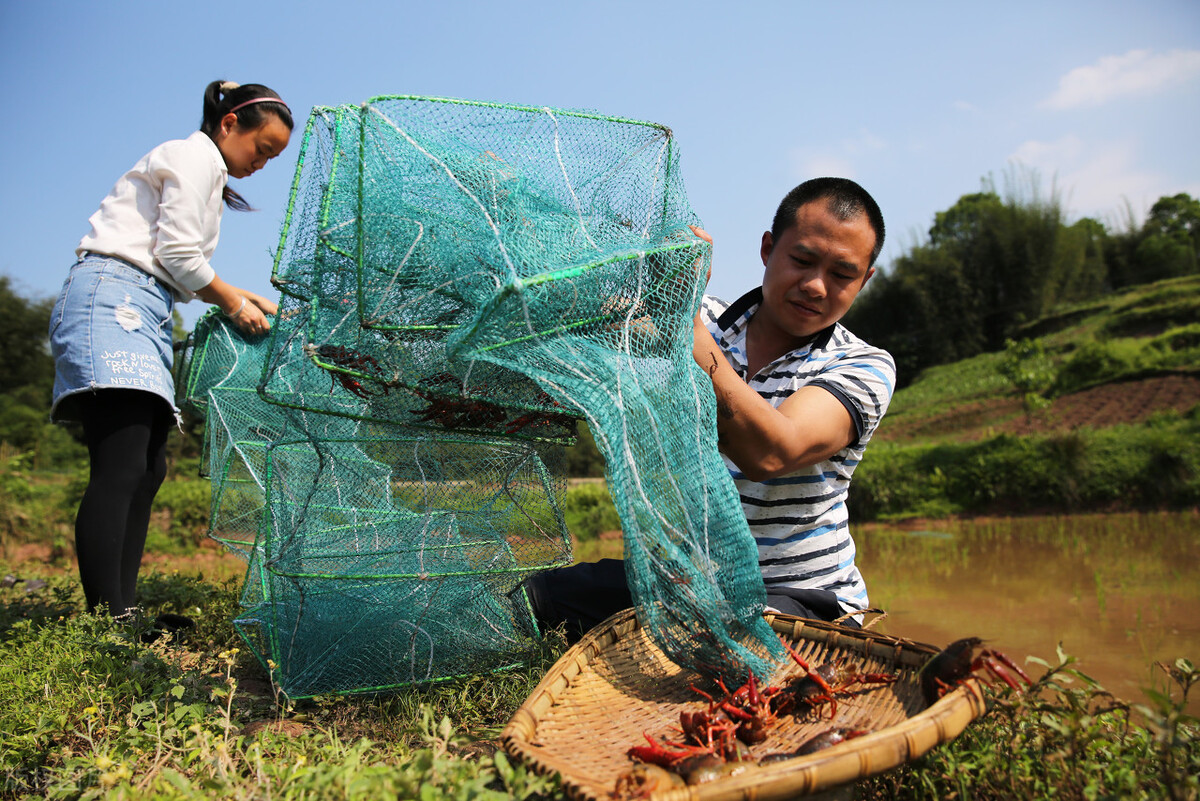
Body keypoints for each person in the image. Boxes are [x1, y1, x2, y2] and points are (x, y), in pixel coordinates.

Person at [525, 177, 894, 641]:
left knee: (730, 642)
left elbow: (772, 452)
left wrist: (682, 326)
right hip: (690, 582)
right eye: (801, 260)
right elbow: (596, 311)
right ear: (767, 249)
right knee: (543, 598)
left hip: (797, 593)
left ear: (866, 279)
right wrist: (655, 274)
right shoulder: (707, 322)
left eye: (842, 274)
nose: (816, 286)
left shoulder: (863, 364)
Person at [48, 81, 293, 633]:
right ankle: (105, 627)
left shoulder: (208, 171)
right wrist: (231, 299)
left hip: (144, 305)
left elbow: (179, 266)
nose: (262, 163)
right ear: (229, 124)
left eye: (273, 157)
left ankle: (123, 614)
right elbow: (177, 254)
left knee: (148, 465)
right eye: (262, 148)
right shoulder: (190, 155)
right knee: (122, 463)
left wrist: (239, 292)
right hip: (112, 298)